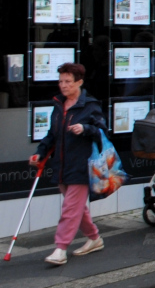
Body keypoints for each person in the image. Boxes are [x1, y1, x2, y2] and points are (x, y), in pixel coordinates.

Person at [29, 63, 106, 265]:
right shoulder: (59, 105)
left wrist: (85, 128)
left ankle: (60, 249)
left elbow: (102, 131)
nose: (63, 85)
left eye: (68, 81)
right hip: (62, 165)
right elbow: (52, 135)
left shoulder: (90, 105)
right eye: (61, 81)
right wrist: (40, 153)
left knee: (70, 209)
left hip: (82, 165)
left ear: (79, 82)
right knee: (77, 208)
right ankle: (95, 238)